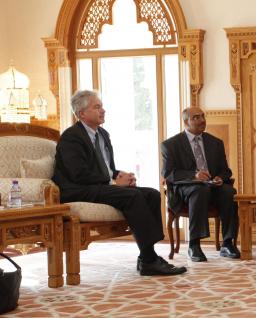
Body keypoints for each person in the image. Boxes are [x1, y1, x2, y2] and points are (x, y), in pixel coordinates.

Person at [52, 90, 186, 276]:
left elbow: (106, 168)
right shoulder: (71, 137)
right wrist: (113, 181)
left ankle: (147, 254)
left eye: (102, 106)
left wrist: (120, 175)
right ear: (81, 114)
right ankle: (149, 260)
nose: (103, 110)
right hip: (78, 189)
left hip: (98, 185)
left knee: (152, 194)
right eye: (97, 107)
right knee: (133, 196)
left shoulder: (103, 134)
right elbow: (78, 174)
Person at [161, 107, 240, 262]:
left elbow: (226, 171)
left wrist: (219, 177)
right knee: (199, 190)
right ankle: (194, 245)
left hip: (212, 186)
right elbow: (169, 173)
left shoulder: (215, 143)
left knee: (229, 192)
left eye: (203, 116)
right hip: (186, 188)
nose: (202, 120)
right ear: (186, 122)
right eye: (196, 117)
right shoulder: (171, 145)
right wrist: (194, 175)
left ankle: (228, 243)